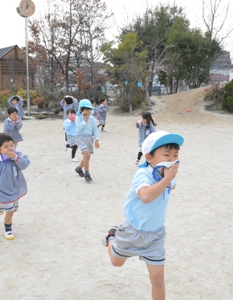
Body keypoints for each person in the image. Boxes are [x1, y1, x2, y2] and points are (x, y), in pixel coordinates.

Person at [101, 131, 184, 300]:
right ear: (149, 157)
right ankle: (111, 236)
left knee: (158, 280)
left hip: (155, 236)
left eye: (175, 155)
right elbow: (145, 196)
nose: (172, 159)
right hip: (132, 231)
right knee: (116, 263)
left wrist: (168, 180)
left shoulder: (167, 175)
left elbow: (171, 186)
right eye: (166, 155)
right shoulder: (143, 174)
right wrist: (166, 180)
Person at [74, 99, 100, 182]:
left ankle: (79, 168)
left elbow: (95, 130)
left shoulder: (92, 118)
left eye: (89, 109)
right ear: (81, 109)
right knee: (87, 155)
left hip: (89, 138)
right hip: (80, 137)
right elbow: (79, 128)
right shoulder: (78, 118)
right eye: (86, 109)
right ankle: (87, 174)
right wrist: (85, 119)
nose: (88, 111)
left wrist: (96, 140)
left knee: (86, 156)